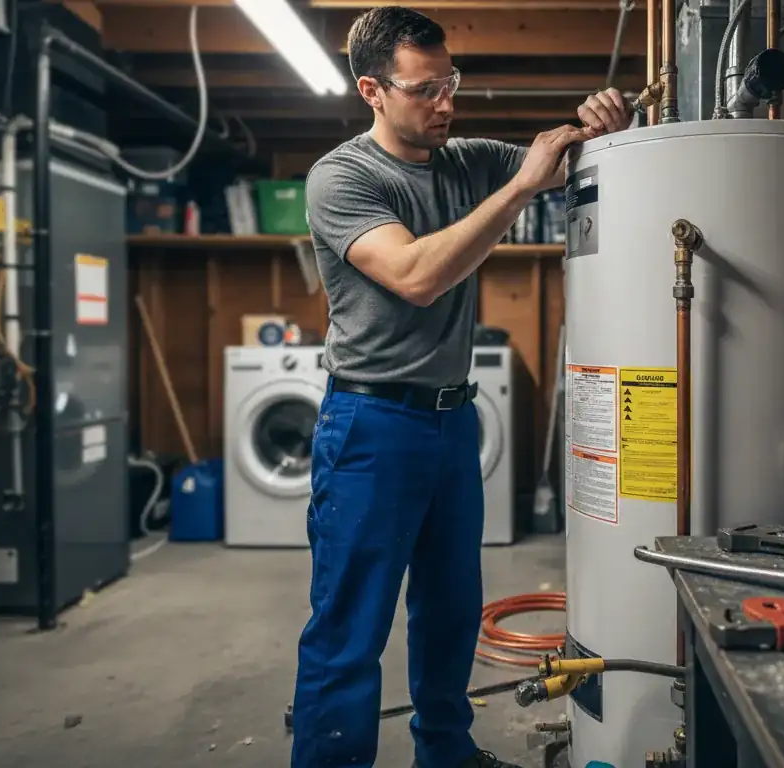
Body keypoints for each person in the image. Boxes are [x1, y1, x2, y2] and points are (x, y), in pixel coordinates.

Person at [291, 7, 633, 768]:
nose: (446, 103)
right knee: (350, 629)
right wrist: (518, 194)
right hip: (371, 425)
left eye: (451, 83)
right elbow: (416, 276)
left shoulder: (467, 157)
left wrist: (603, 129)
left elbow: (568, 162)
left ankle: (445, 754)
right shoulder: (343, 177)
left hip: (451, 423)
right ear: (372, 89)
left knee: (449, 614)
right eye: (425, 90)